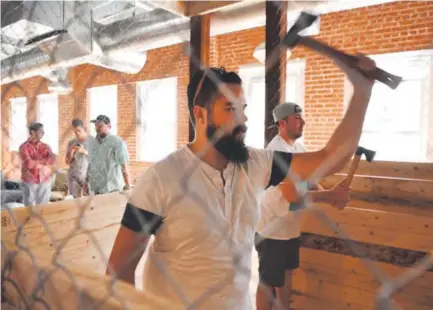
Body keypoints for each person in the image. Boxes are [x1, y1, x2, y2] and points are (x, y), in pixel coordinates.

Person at [106, 54, 376, 309]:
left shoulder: (256, 165)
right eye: (230, 109)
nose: (244, 119)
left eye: (243, 108)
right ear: (200, 115)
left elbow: (331, 159)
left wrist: (361, 92)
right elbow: (118, 271)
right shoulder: (161, 179)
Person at [255, 102, 350, 310]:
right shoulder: (276, 151)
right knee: (268, 282)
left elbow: (311, 179)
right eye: (297, 118)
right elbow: (291, 195)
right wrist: (328, 196)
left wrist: (332, 194)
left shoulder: (298, 149)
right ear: (282, 123)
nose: (303, 122)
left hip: (289, 226)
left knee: (286, 273)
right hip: (271, 228)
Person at [86, 115, 131, 195]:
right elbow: (90, 163)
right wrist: (86, 181)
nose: (97, 128)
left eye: (101, 125)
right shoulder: (94, 143)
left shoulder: (117, 142)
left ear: (109, 126)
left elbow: (124, 166)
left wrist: (128, 186)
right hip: (96, 189)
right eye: (96, 125)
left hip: (112, 189)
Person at [19, 122, 56, 206]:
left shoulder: (46, 146)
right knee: (29, 209)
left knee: (43, 208)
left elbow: (53, 159)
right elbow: (28, 164)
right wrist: (44, 161)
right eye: (41, 131)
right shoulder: (23, 147)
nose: (43, 133)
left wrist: (35, 162)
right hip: (29, 181)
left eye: (43, 131)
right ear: (32, 132)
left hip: (45, 179)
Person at [65, 119, 93, 198]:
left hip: (88, 176)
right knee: (76, 201)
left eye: (79, 131)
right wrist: (71, 152)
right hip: (74, 175)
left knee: (89, 201)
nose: (77, 133)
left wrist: (84, 151)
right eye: (75, 131)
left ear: (84, 129)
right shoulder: (71, 142)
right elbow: (67, 162)